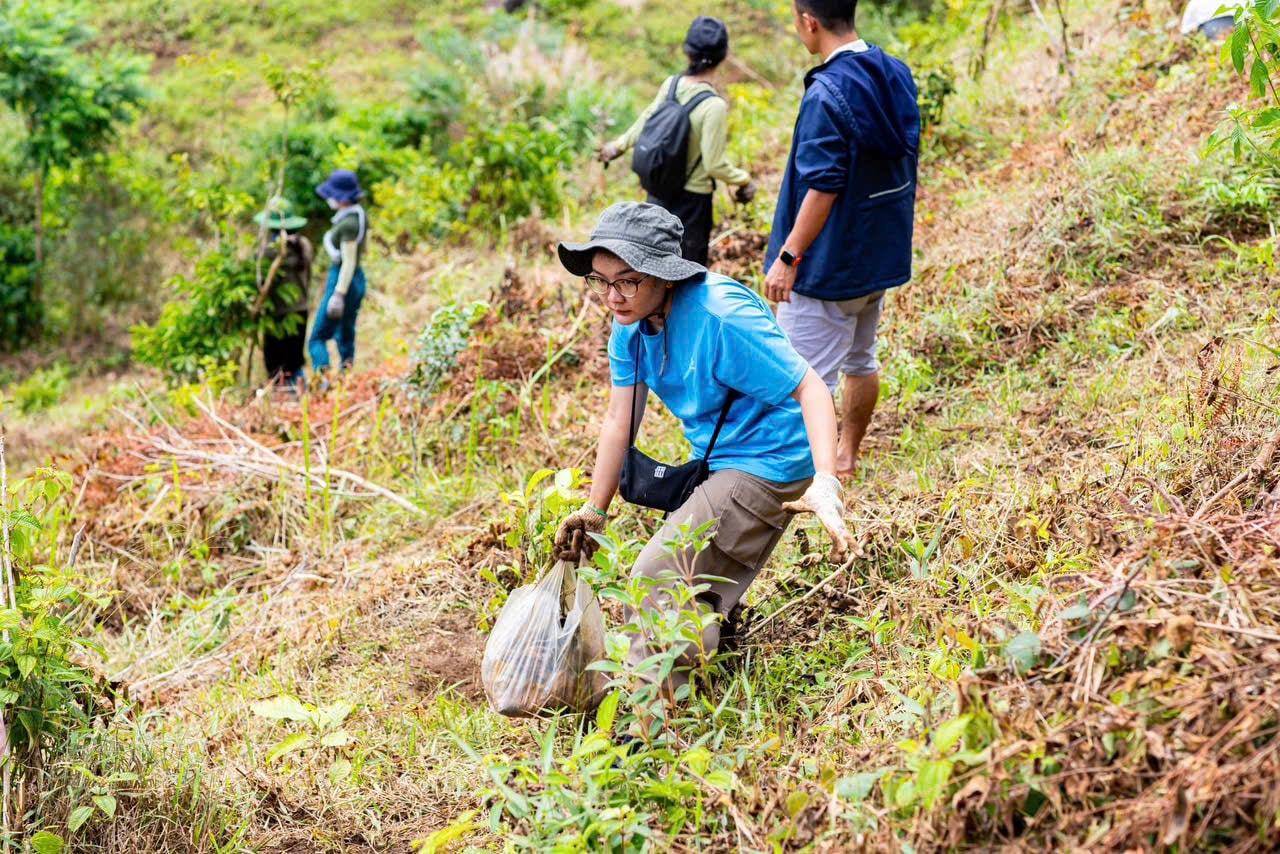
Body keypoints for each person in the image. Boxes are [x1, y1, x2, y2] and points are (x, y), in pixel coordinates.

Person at [552, 202, 851, 700]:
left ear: (664, 276)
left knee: (656, 575)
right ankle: (705, 658)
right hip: (723, 458)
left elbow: (811, 388)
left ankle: (652, 722)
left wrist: (826, 480)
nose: (612, 296)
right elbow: (618, 420)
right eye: (600, 282)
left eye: (627, 281)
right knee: (684, 575)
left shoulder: (720, 316)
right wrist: (594, 508)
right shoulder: (630, 326)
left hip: (773, 457)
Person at [763, 0, 920, 477]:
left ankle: (804, 478)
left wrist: (789, 255)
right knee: (860, 358)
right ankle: (846, 454)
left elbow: (824, 184)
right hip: (877, 255)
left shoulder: (825, 92)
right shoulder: (894, 72)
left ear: (808, 21)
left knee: (801, 381)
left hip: (828, 266)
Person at [598, 16, 757, 266]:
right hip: (692, 204)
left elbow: (644, 120)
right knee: (688, 269)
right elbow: (714, 165)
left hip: (659, 193)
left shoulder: (671, 85)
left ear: (687, 52)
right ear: (724, 55)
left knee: (654, 264)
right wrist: (744, 179)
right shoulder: (712, 105)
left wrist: (616, 147)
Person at [308, 169, 369, 382]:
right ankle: (346, 378)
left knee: (317, 338)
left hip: (344, 281)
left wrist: (339, 294)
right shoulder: (357, 215)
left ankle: (323, 382)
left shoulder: (350, 223)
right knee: (345, 332)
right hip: (355, 280)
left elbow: (348, 261)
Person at [253, 197, 312, 390]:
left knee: (276, 363)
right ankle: (298, 396)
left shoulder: (270, 252)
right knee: (295, 361)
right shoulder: (304, 245)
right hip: (301, 309)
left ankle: (283, 400)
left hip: (277, 313)